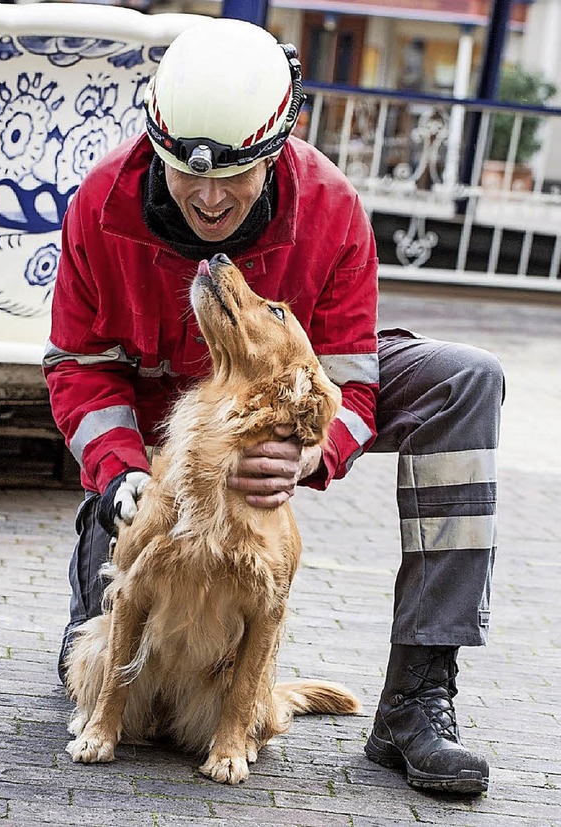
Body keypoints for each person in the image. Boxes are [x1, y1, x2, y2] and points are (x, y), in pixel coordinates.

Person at [43, 18, 504, 795]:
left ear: (279, 148)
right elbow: (80, 367)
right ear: (155, 141)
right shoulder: (102, 202)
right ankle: (105, 563)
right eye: (188, 173)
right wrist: (122, 476)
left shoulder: (331, 209)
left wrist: (307, 454)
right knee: (94, 664)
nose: (210, 196)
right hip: (155, 470)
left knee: (465, 379)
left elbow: (354, 382)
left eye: (237, 172)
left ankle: (419, 696)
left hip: (283, 399)